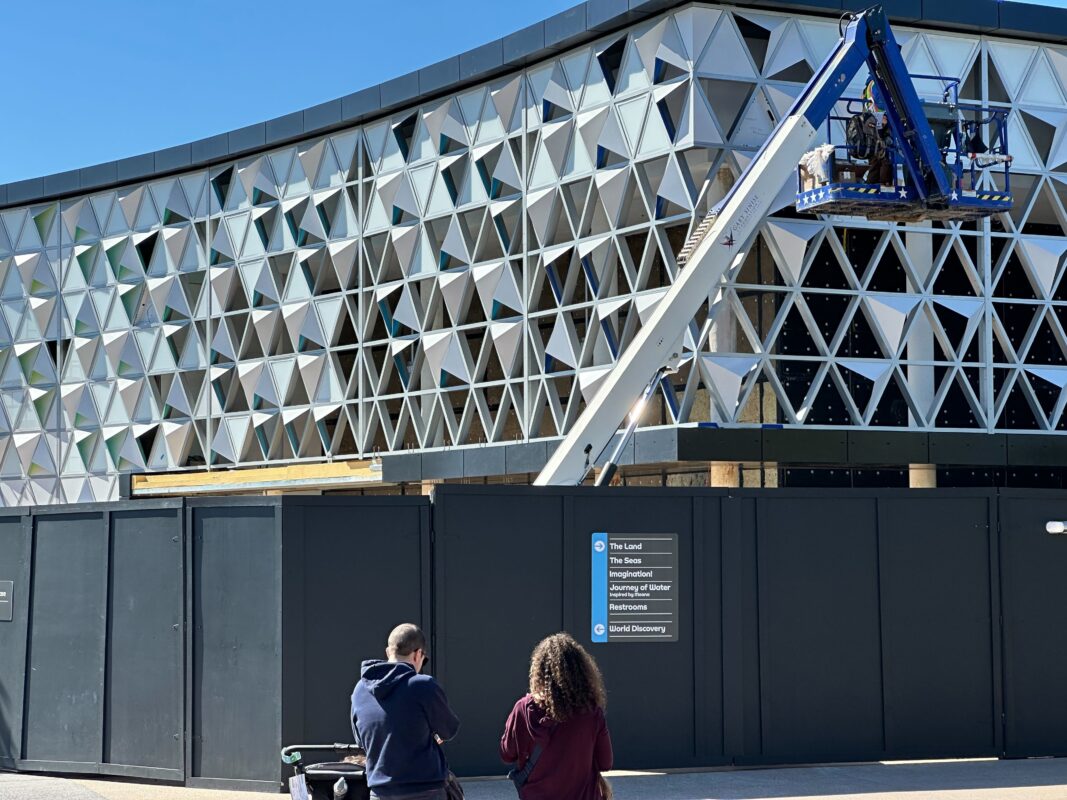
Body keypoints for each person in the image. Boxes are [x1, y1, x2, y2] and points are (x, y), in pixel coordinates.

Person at [351, 623, 460, 800]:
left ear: (388, 652)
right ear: (418, 654)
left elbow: (361, 739)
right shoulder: (424, 685)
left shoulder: (360, 689)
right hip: (425, 789)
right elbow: (449, 730)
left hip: (380, 792)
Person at [499, 633, 613, 800]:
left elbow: (506, 754)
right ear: (582, 672)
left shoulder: (523, 708)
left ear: (538, 672)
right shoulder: (591, 713)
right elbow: (606, 763)